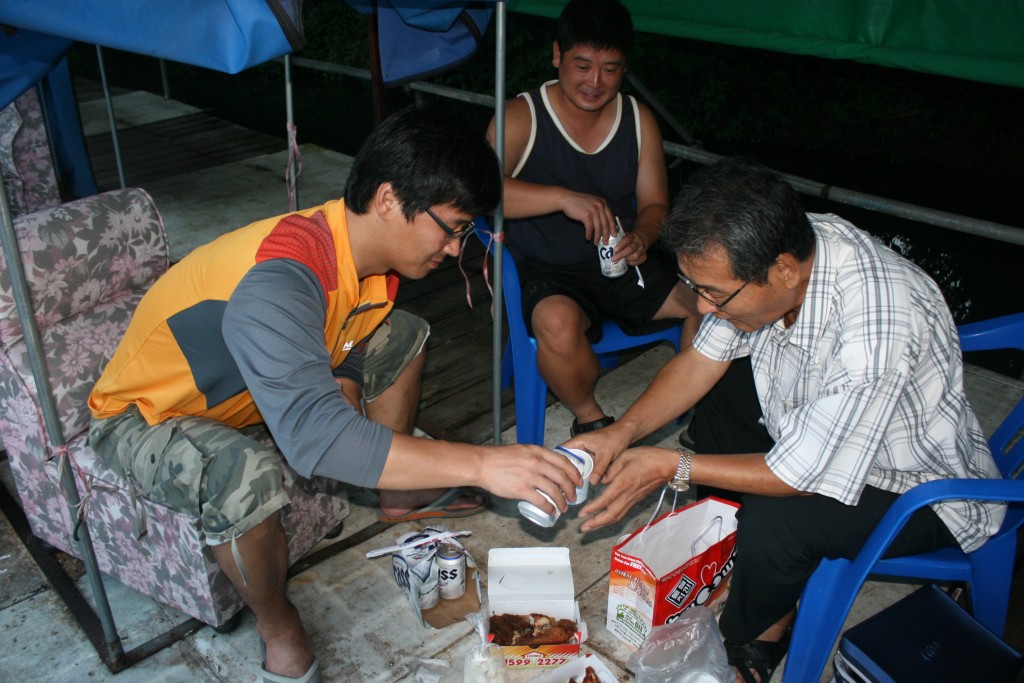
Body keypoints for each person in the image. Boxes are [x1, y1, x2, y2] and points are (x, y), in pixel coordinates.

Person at [86, 105, 582, 683]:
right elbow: (314, 440)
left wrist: (349, 404)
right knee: (243, 474)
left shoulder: (359, 253)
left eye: (465, 232)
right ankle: (279, 626)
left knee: (402, 334)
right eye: (451, 227)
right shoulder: (281, 277)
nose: (455, 249)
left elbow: (347, 337)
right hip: (147, 416)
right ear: (389, 199)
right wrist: (484, 464)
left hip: (242, 393)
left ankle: (397, 492)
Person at [567, 158, 1005, 683]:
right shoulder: (778, 245)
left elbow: (796, 477)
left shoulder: (877, 326)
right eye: (695, 287)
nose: (702, 308)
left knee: (778, 519)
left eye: (713, 293)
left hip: (917, 486)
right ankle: (736, 551)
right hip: (819, 427)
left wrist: (671, 465)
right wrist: (621, 432)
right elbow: (701, 361)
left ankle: (760, 627)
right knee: (722, 388)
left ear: (784, 272)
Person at [486, 0, 699, 437]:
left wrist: (642, 236)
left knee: (712, 304)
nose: (595, 82)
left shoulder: (637, 119)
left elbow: (656, 205)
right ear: (557, 55)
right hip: (549, 269)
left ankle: (698, 408)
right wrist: (562, 198)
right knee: (557, 325)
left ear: (624, 69)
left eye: (610, 69)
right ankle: (590, 419)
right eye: (582, 65)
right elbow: (480, 191)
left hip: (622, 262)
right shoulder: (520, 117)